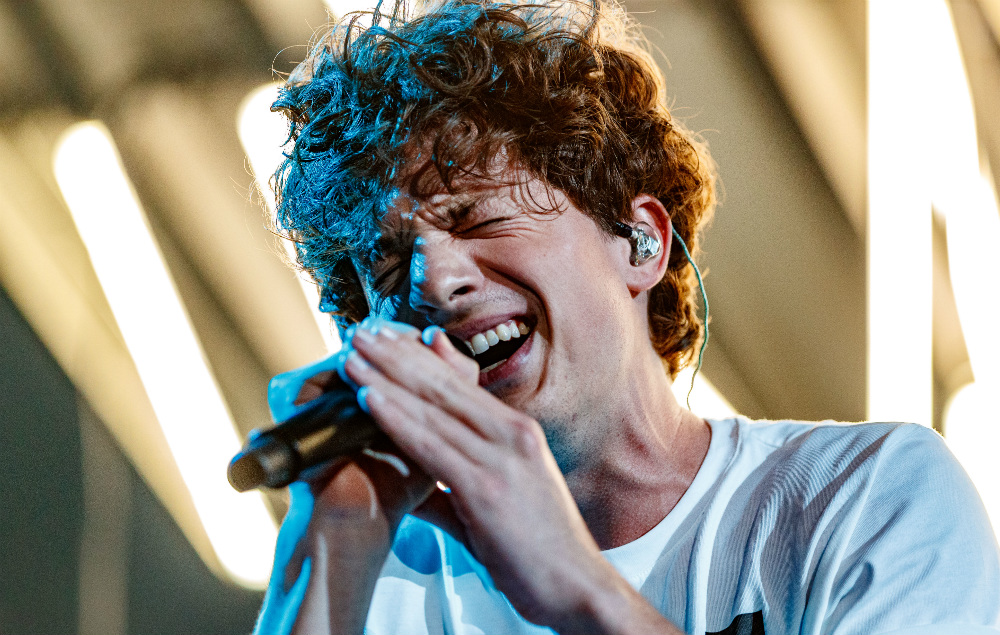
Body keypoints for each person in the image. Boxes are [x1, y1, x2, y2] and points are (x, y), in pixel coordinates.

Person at [252, 1, 1000, 633]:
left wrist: (578, 587)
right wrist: (333, 536)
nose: (435, 281)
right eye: (386, 265)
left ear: (640, 241)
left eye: (478, 218)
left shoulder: (866, 496)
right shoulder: (386, 573)